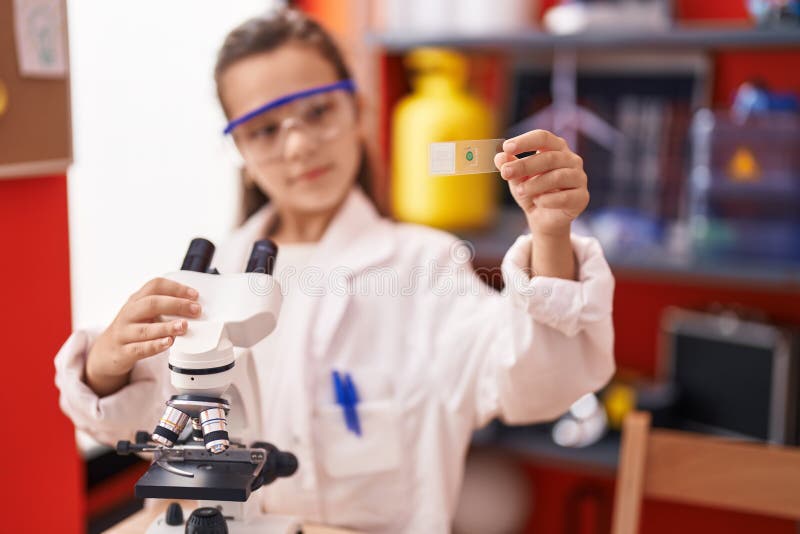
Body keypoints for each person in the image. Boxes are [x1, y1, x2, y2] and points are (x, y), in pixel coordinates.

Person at [54, 8, 615, 533]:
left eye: (317, 110)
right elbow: (146, 424)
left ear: (357, 112)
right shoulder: (212, 274)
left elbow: (537, 383)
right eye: (265, 130)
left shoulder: (424, 265)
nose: (297, 144)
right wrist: (107, 366)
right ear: (239, 150)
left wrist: (549, 233)